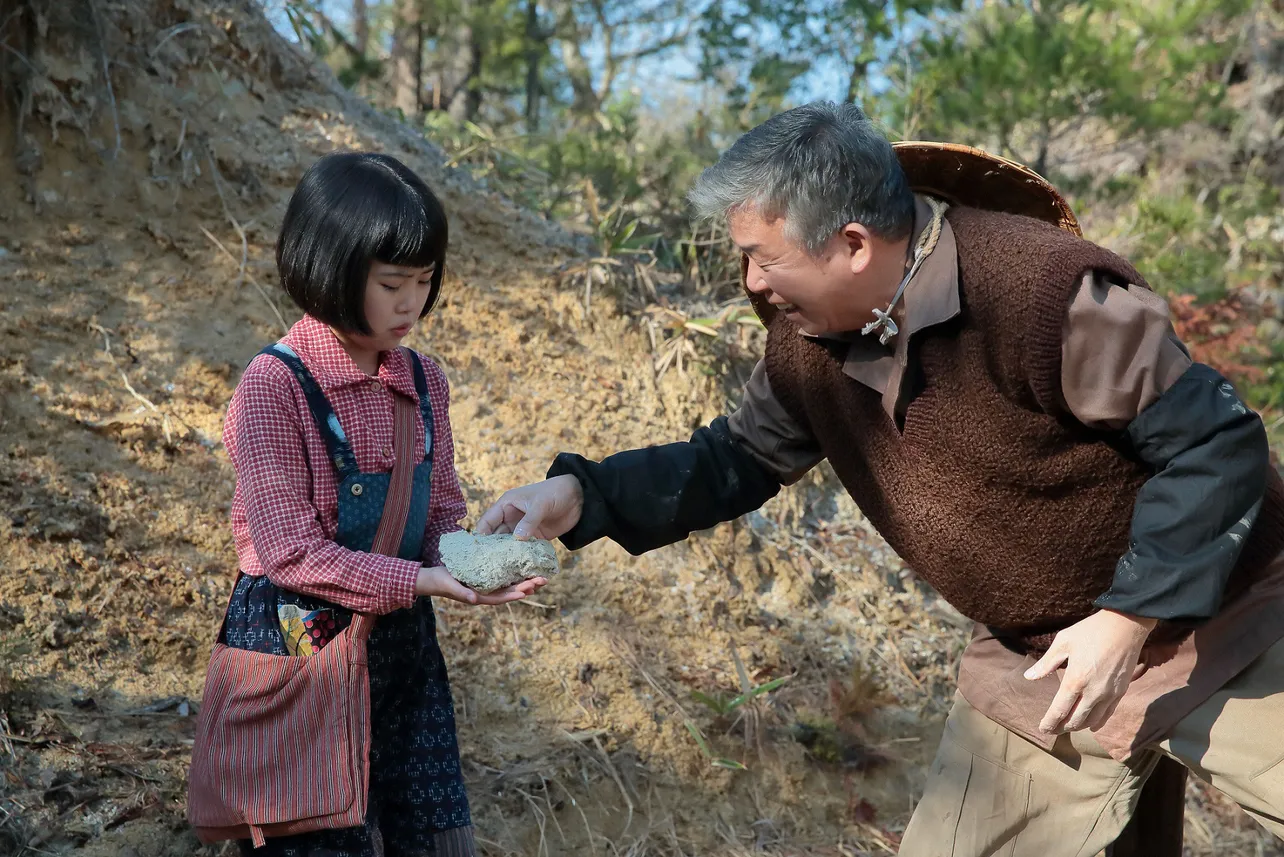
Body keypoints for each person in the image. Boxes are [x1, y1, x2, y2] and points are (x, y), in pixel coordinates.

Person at [477, 102, 1284, 855]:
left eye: (763, 256)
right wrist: (583, 495)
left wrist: (1127, 616)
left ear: (855, 244)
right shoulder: (807, 345)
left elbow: (1216, 444)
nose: (751, 281)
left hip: (1227, 619)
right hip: (1035, 663)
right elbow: (735, 458)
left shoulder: (1045, 295)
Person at [203, 152, 547, 856]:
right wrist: (422, 580)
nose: (411, 303)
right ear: (329, 265)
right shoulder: (276, 387)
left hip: (402, 647)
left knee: (430, 836)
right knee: (320, 827)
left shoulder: (424, 380)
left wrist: (475, 557)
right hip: (299, 643)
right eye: (392, 283)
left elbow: (438, 512)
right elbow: (290, 554)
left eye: (424, 282)